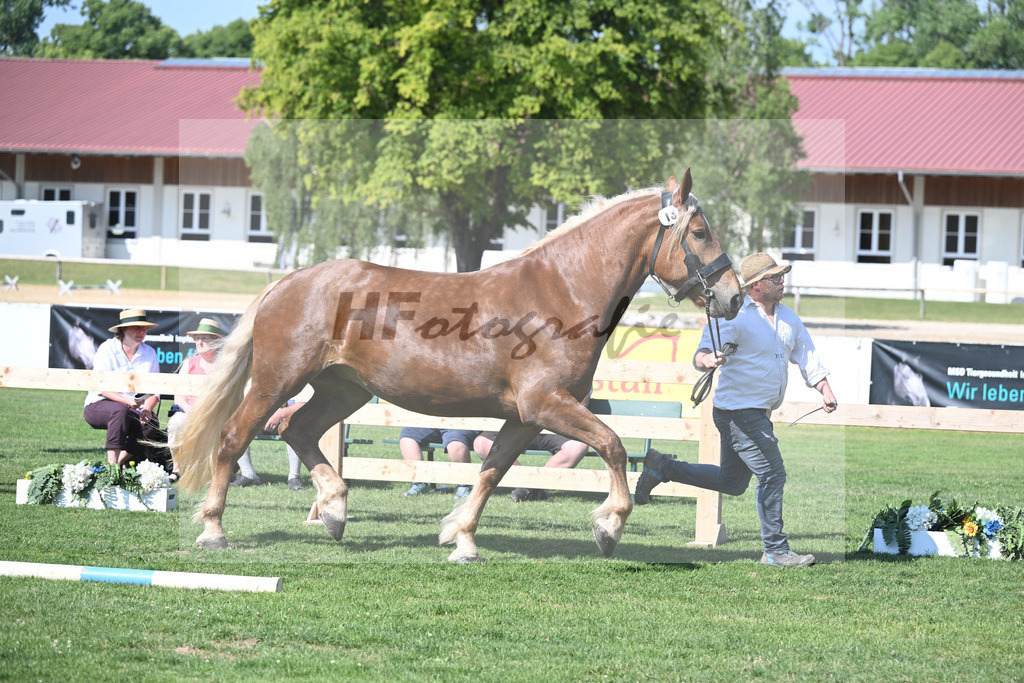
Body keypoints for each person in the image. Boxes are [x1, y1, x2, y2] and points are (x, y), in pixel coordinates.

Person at [634, 253, 837, 568]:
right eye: (775, 277)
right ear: (756, 286)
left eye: (782, 275)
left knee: (733, 483)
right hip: (737, 412)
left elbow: (806, 355)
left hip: (756, 412)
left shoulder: (789, 319)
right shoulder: (734, 315)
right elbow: (701, 354)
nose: (782, 281)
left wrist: (825, 390)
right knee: (772, 473)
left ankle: (663, 467)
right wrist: (709, 358)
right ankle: (775, 551)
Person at [167, 318, 307, 490]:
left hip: (223, 413)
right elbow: (179, 397)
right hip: (192, 412)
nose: (200, 342)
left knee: (236, 424)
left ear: (216, 341)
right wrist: (194, 413)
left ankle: (274, 476)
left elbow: (234, 395)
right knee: (176, 422)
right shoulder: (189, 363)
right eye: (197, 338)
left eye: (205, 338)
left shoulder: (227, 365)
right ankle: (178, 469)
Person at [83, 308, 164, 467]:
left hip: (132, 407)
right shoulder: (107, 349)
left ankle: (118, 464)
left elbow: (155, 390)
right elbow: (100, 387)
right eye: (137, 327)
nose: (142, 331)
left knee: (151, 423)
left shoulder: (150, 353)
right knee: (119, 410)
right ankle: (112, 463)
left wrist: (147, 409)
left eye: (144, 328)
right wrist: (128, 401)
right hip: (98, 404)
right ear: (123, 330)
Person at [473, 432, 589, 502]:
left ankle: (530, 489)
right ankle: (529, 488)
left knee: (577, 447)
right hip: (514, 423)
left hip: (553, 425)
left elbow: (581, 402)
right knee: (482, 443)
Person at [398, 428, 478, 498]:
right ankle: (419, 483)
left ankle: (464, 485)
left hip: (461, 423)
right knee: (407, 436)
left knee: (455, 444)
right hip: (434, 421)